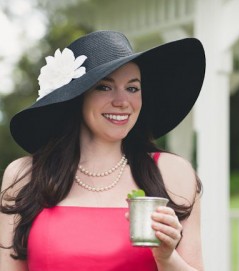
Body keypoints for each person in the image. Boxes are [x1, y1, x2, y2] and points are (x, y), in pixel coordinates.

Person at [0, 30, 206, 271]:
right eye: (104, 87)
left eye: (132, 88)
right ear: (77, 98)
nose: (122, 101)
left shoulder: (171, 173)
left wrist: (166, 258)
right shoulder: (24, 176)